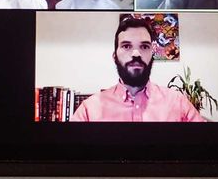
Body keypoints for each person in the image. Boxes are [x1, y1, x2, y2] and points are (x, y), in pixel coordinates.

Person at [71, 16, 206, 122]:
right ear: (114, 56)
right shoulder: (89, 110)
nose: (136, 54)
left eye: (144, 46)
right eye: (126, 46)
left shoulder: (178, 102)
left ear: (153, 55)